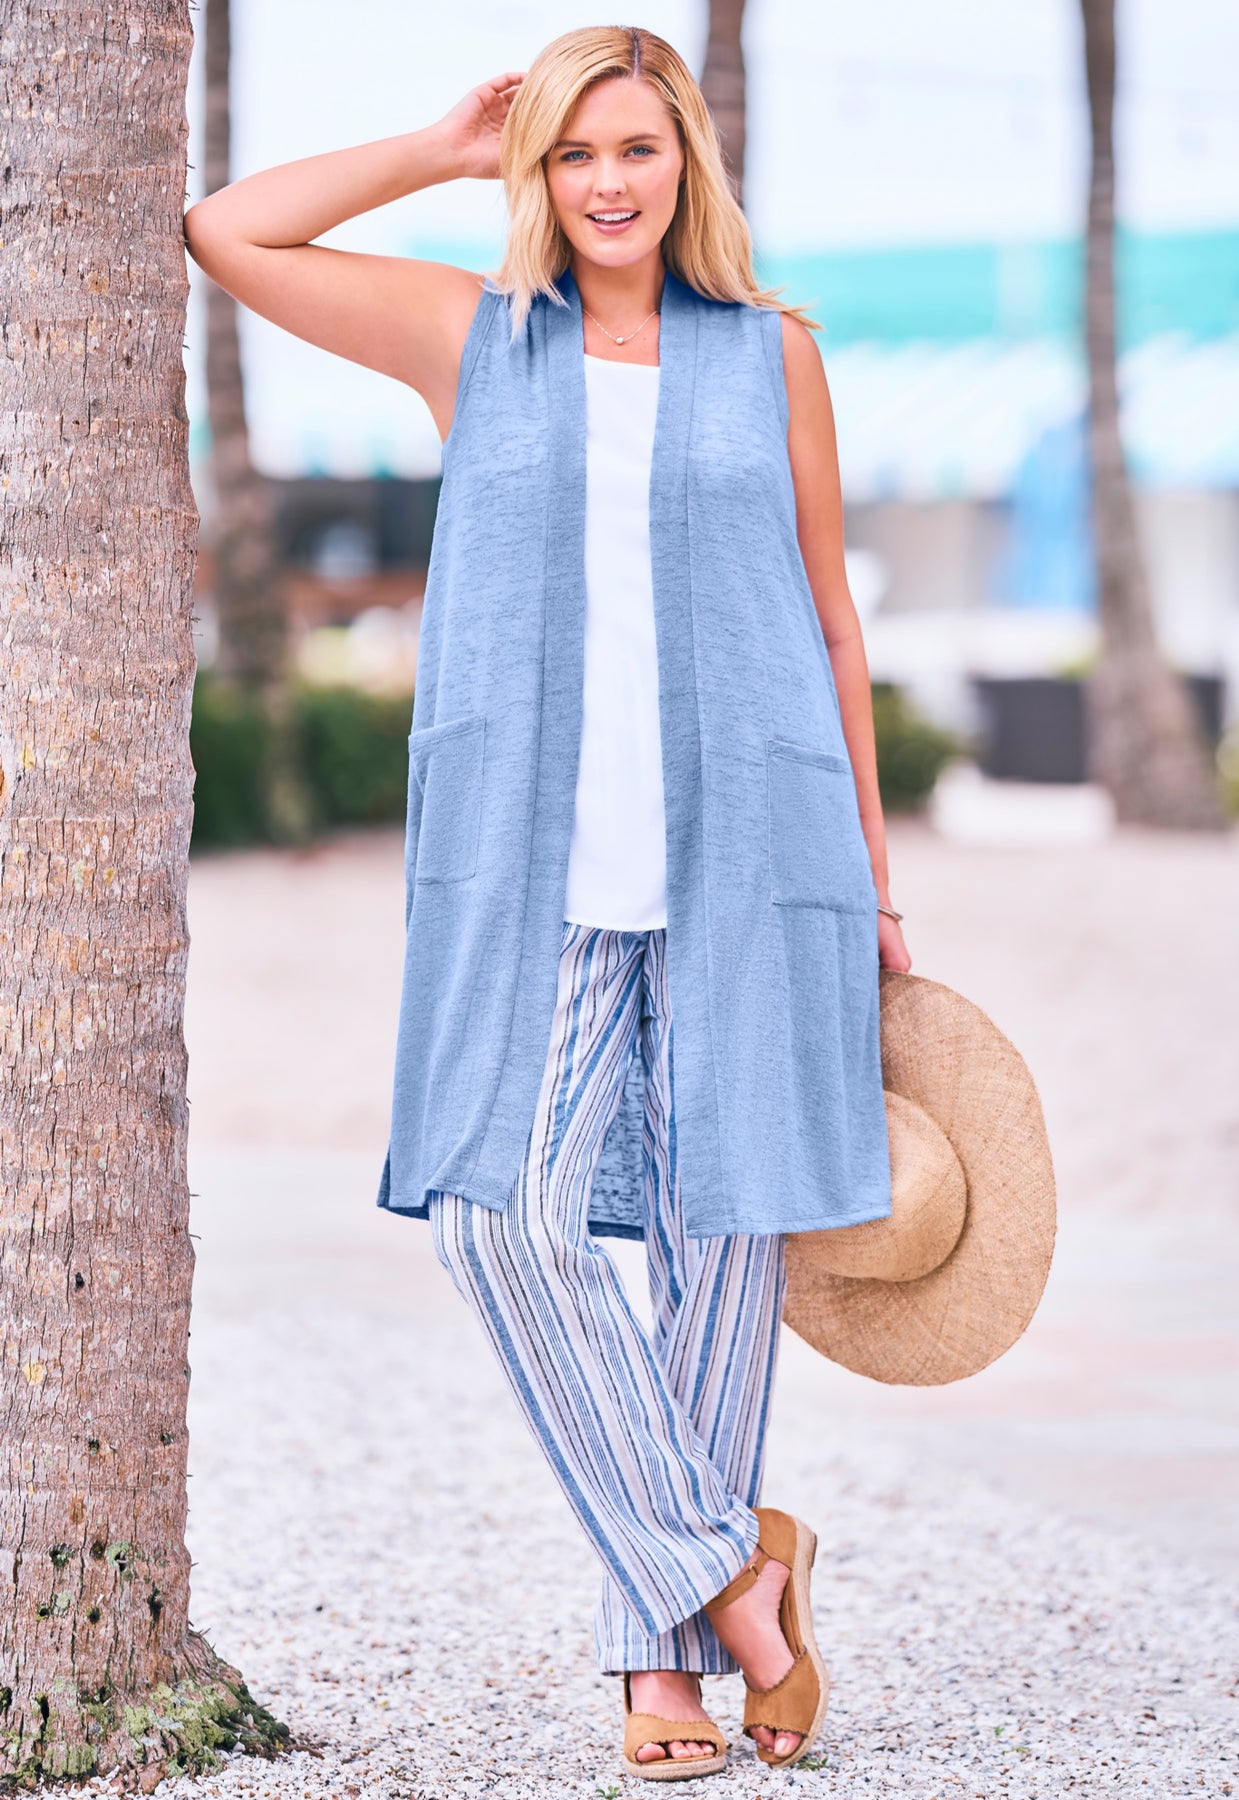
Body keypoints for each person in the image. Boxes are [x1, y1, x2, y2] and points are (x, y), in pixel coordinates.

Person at [185, 23, 912, 1779]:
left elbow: (831, 618)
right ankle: (732, 1569)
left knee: (722, 1246)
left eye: (637, 150)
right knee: (496, 1222)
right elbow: (228, 229)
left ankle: (666, 1667)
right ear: (537, 172)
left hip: (757, 861)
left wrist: (877, 884)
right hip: (539, 879)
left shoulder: (774, 355)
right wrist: (439, 146)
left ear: (687, 166)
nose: (606, 183)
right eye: (574, 152)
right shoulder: (473, 338)